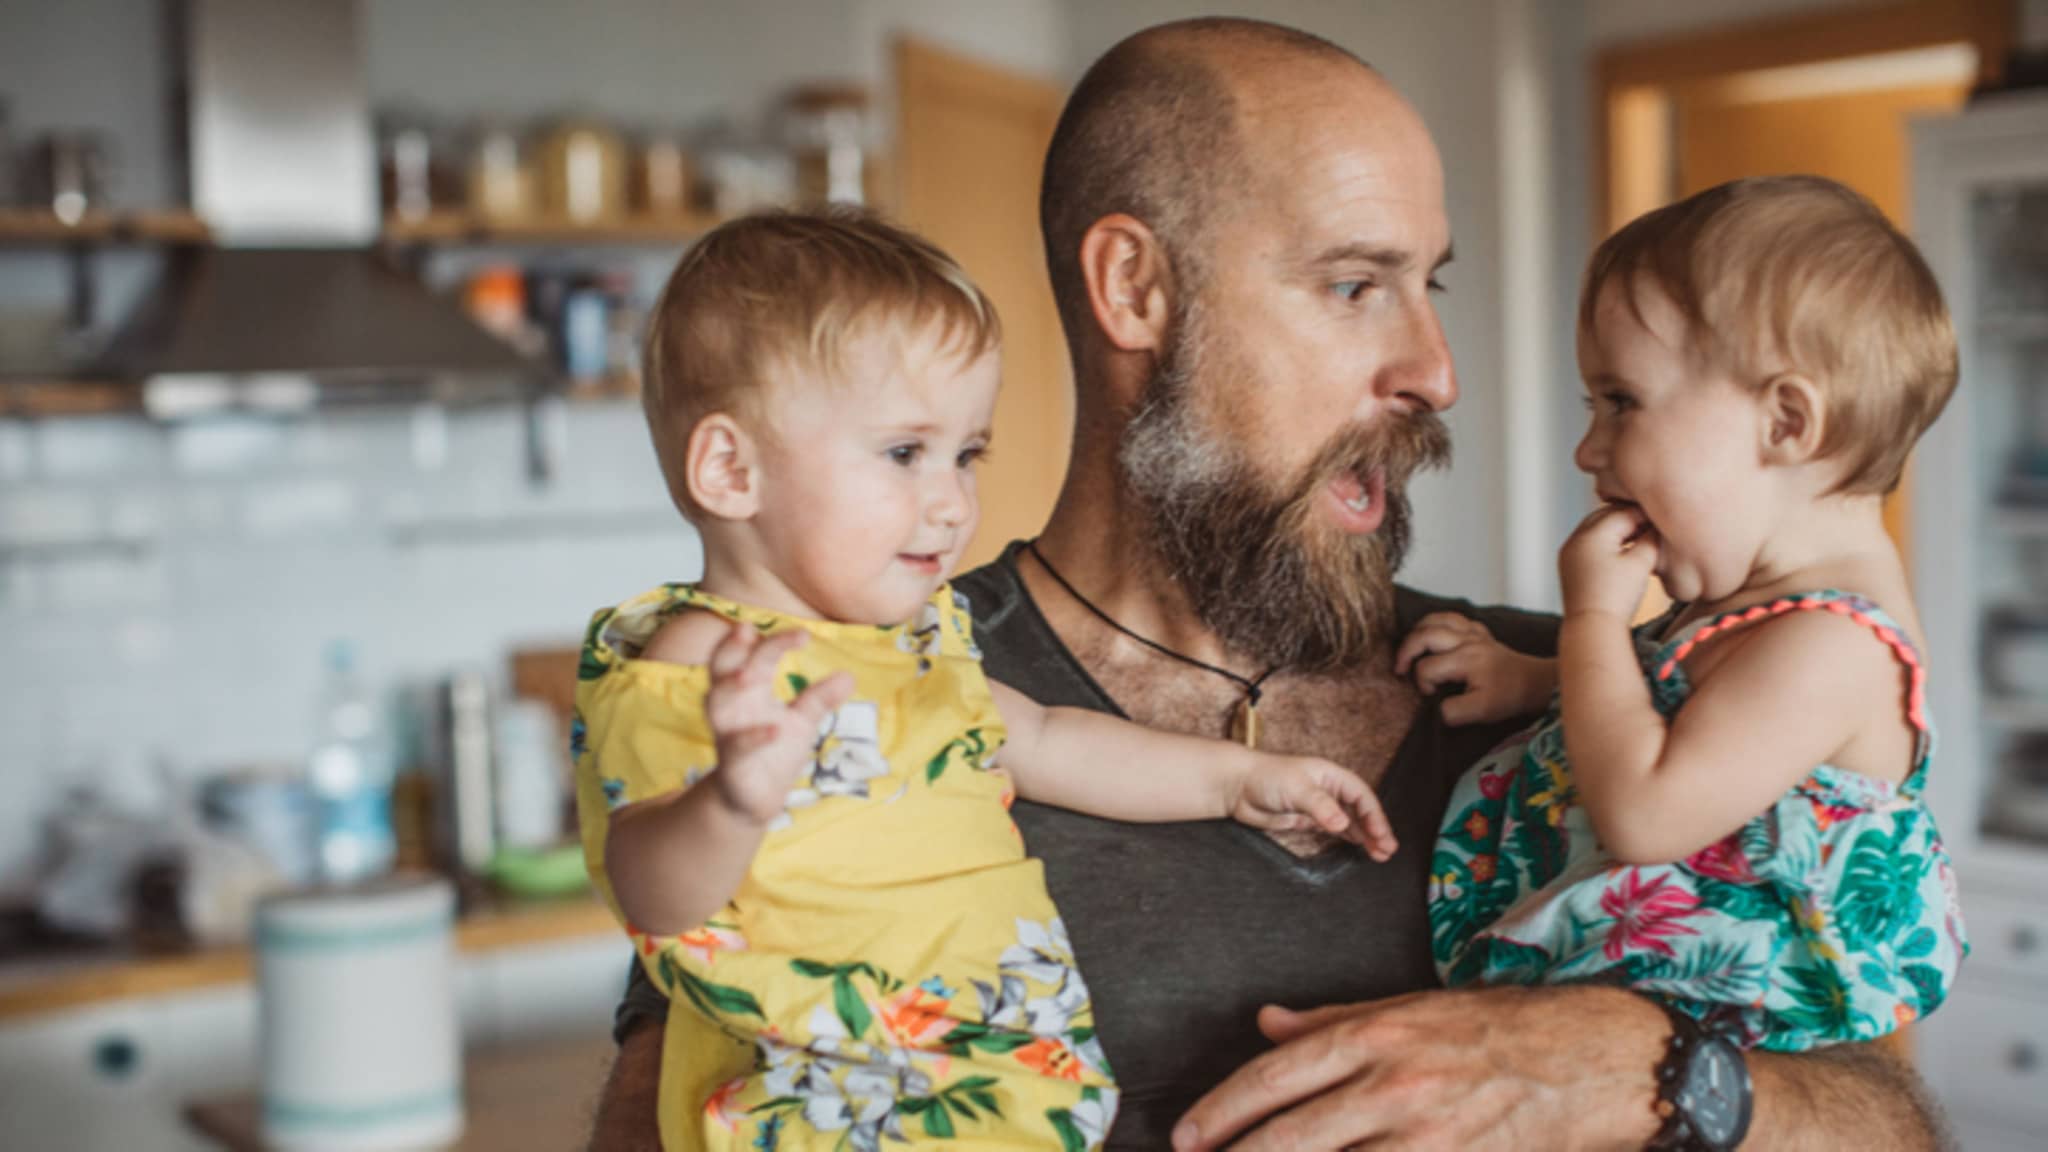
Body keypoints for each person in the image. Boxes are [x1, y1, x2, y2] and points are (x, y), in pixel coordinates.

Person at [592, 19, 1951, 1151]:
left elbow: (1888, 1112)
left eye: (1429, 286)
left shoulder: (1573, 696)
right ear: (1136, 289)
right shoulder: (852, 703)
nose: (1435, 371)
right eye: (1356, 286)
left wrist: (1646, 1073)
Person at [574, 208, 1395, 1152]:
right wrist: (730, 800)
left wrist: (1236, 780)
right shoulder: (700, 660)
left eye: (967, 455)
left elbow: (1045, 739)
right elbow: (651, 891)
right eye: (904, 453)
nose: (952, 503)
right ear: (731, 469)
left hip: (985, 1088)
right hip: (832, 1106)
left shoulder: (914, 643)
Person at [1406, 176, 1966, 1059]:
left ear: (1786, 421)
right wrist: (1529, 678)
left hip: (1698, 1038)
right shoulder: (1742, 607)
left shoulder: (1833, 647)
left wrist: (1591, 619)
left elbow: (1646, 814)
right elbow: (1674, 699)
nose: (1588, 449)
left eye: (1621, 401)